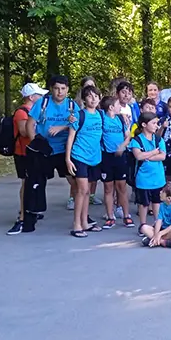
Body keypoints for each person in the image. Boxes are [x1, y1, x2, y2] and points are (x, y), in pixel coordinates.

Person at [25, 75, 76, 225]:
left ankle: (82, 215)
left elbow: (79, 123)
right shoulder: (42, 103)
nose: (60, 92)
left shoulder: (72, 106)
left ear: (67, 89)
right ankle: (32, 214)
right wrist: (36, 143)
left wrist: (63, 127)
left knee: (76, 181)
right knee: (37, 182)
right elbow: (29, 124)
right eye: (56, 88)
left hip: (64, 149)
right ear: (52, 90)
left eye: (63, 89)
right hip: (45, 149)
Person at [7, 83, 47, 235]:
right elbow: (24, 131)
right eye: (39, 95)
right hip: (23, 153)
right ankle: (23, 216)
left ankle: (32, 209)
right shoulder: (22, 112)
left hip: (32, 153)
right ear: (31, 97)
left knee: (34, 182)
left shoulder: (33, 111)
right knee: (26, 183)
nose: (42, 97)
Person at [65, 85, 104, 237]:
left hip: (94, 158)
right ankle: (76, 225)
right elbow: (70, 137)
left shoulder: (101, 114)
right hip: (79, 156)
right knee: (81, 191)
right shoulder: (79, 115)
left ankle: (85, 221)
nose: (93, 99)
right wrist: (68, 159)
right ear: (84, 99)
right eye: (89, 96)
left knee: (87, 192)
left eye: (96, 96)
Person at [99, 96, 133, 229]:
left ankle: (126, 216)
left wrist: (122, 146)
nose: (121, 107)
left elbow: (128, 136)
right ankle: (110, 216)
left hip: (120, 156)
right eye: (118, 104)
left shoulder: (120, 119)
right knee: (108, 188)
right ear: (111, 107)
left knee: (122, 187)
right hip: (106, 156)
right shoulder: (102, 117)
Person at [130, 112, 167, 230]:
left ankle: (157, 224)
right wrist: (153, 152)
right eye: (154, 123)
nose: (157, 126)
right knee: (143, 203)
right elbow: (138, 156)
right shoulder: (137, 140)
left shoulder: (158, 139)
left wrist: (146, 156)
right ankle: (143, 225)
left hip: (158, 177)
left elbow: (163, 156)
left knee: (157, 202)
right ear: (144, 124)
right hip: (143, 178)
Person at [140, 182, 171, 248]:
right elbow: (159, 221)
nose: (160, 192)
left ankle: (153, 240)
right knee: (143, 228)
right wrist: (156, 234)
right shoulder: (162, 205)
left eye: (162, 192)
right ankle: (162, 242)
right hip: (164, 229)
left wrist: (160, 234)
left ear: (169, 198)